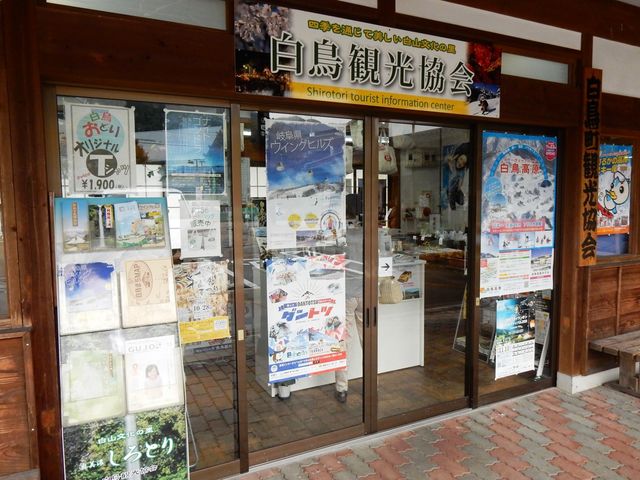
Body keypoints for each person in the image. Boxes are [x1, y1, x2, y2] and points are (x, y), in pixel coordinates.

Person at [334, 213, 364, 403]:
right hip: (366, 293)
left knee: (343, 341)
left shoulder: (341, 238)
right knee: (368, 340)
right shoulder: (370, 234)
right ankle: (371, 382)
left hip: (346, 294)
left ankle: (341, 388)